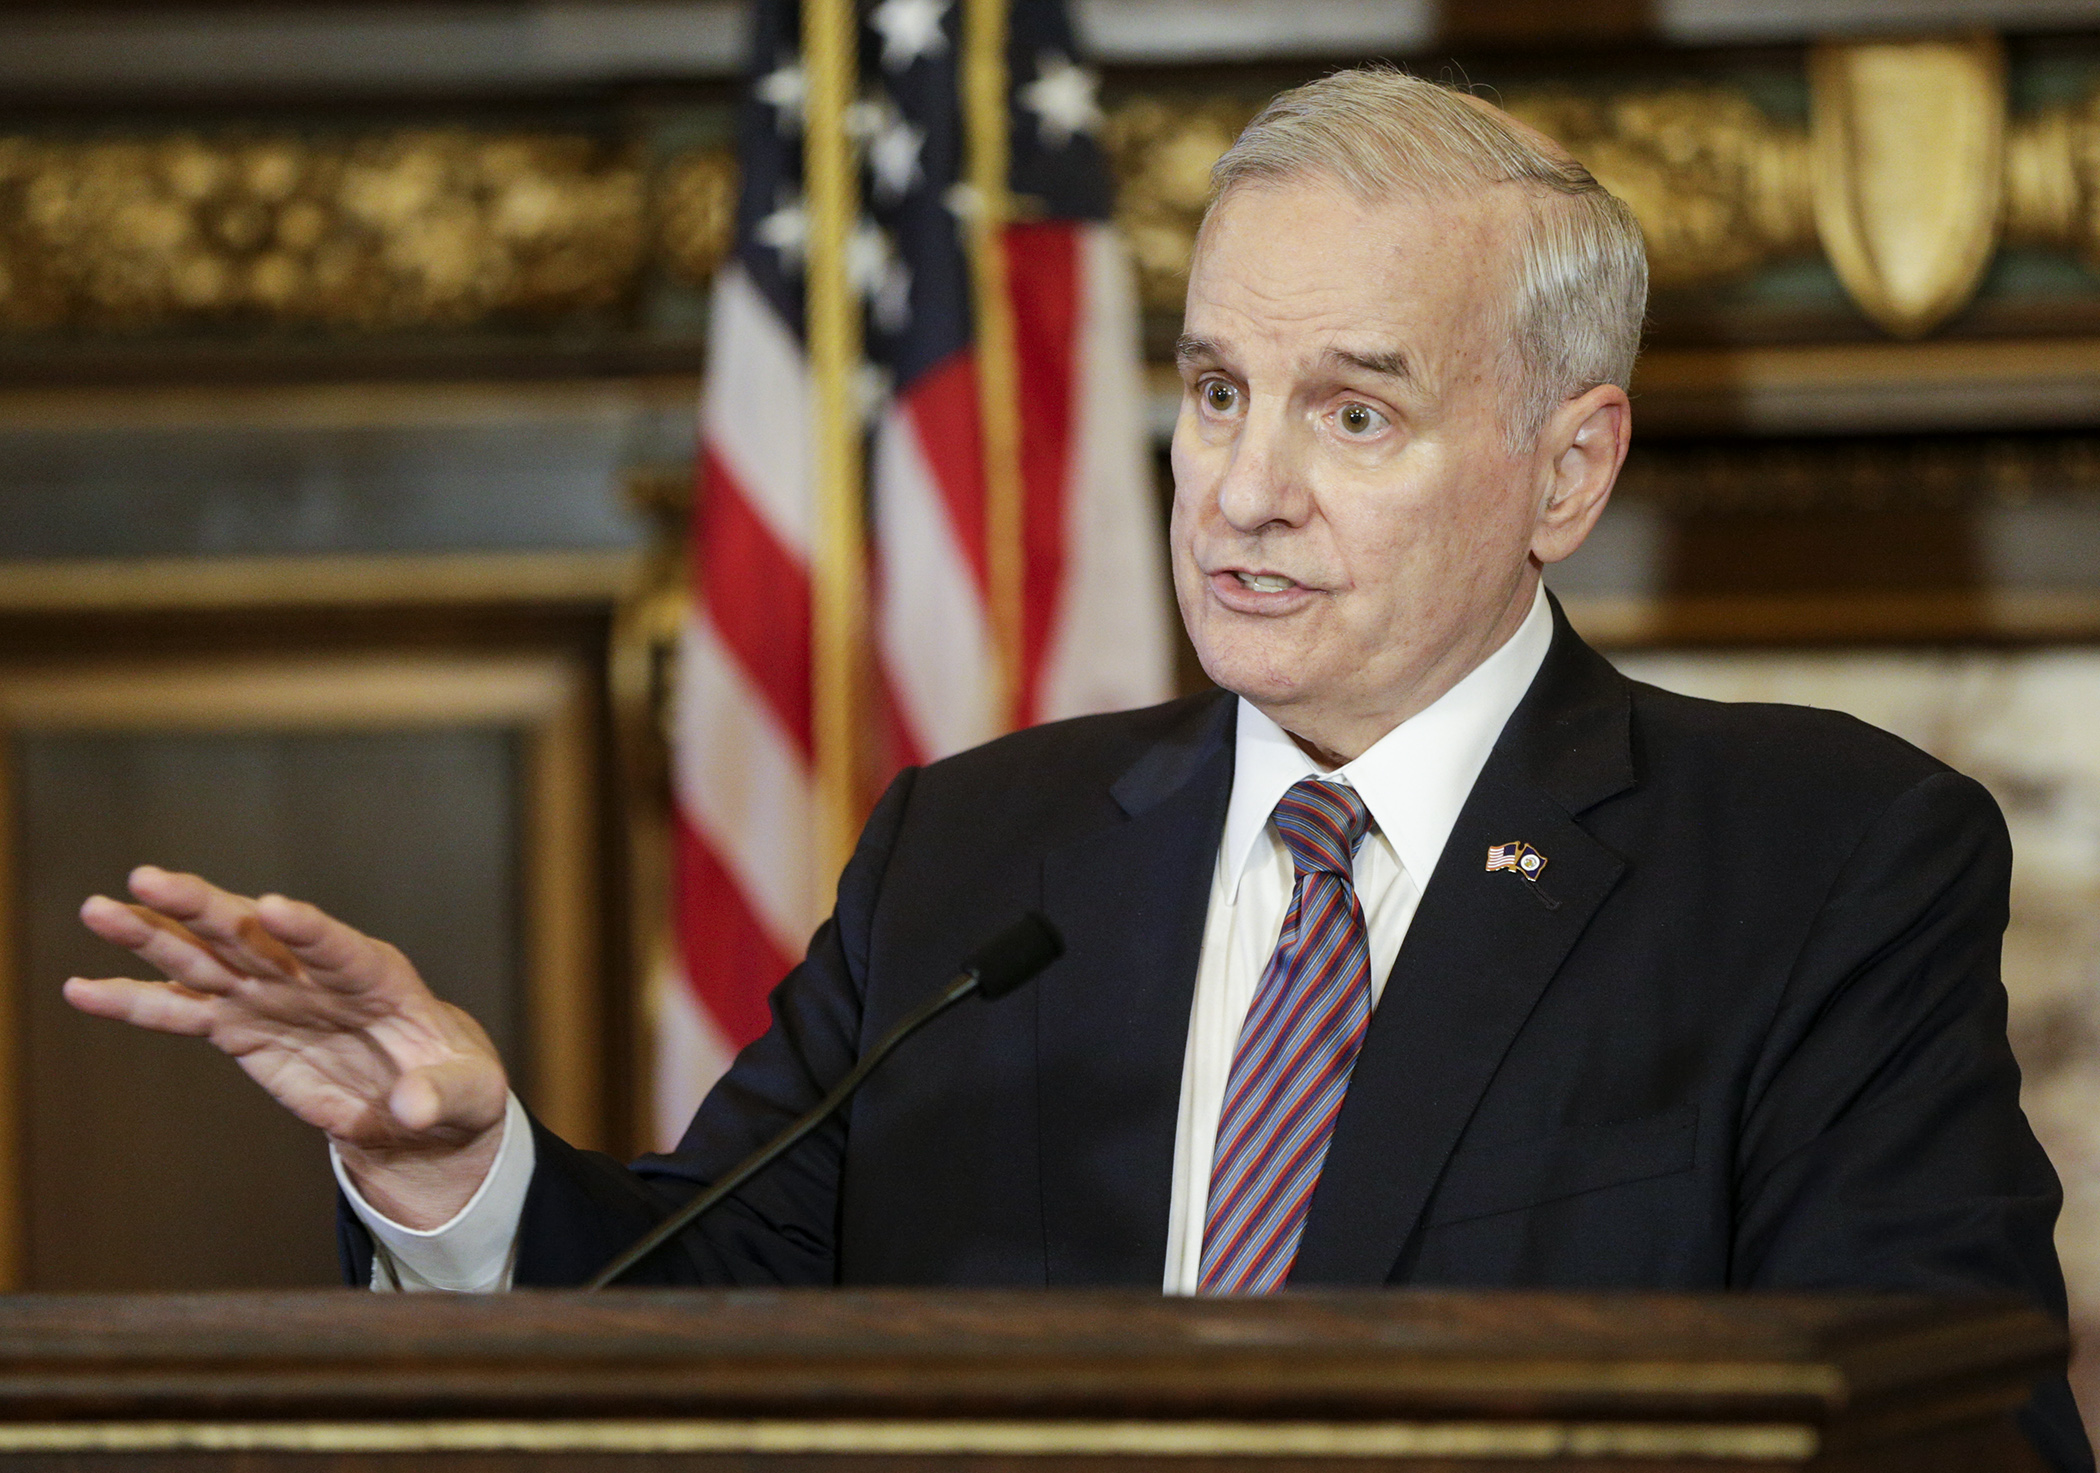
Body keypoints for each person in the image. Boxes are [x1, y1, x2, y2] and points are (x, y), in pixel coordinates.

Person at [66, 70, 2090, 1470]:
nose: (1243, 488)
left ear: (1567, 469)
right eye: (1214, 389)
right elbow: (704, 1329)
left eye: (1354, 414)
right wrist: (451, 1166)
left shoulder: (1818, 858)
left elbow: (1950, 1419)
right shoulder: (985, 855)